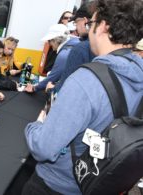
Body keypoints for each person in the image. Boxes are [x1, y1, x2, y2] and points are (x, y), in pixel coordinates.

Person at [23, 0, 143, 194]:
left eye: (91, 24)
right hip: (103, 183)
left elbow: (43, 148)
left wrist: (35, 126)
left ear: (104, 26)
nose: (88, 30)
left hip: (58, 185)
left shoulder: (86, 80)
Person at [46, 1, 96, 93]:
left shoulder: (81, 48)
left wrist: (50, 90)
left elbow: (65, 86)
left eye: (76, 22)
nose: (75, 27)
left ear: (85, 21)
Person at [25, 24, 79, 93]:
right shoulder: (75, 42)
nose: (49, 44)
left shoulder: (64, 55)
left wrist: (34, 88)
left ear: (55, 40)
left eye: (49, 41)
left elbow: (52, 78)